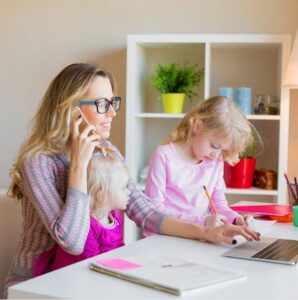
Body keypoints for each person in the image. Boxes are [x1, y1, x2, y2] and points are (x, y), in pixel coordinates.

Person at [4, 64, 259, 297]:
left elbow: (145, 212)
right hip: (36, 285)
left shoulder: (106, 150)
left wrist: (206, 232)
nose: (113, 112)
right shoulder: (39, 162)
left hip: (84, 277)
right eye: (102, 104)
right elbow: (72, 241)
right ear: (71, 111)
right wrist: (79, 165)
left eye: (113, 102)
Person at [145, 96, 257, 229]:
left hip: (198, 236)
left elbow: (218, 204)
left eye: (222, 150)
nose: (216, 154)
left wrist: (235, 218)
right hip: (164, 237)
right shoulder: (164, 156)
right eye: (215, 146)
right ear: (197, 126)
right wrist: (200, 222)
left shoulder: (215, 161)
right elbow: (154, 211)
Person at [33, 150, 130, 276]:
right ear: (102, 196)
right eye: (123, 188)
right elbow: (91, 264)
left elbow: (119, 248)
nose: (129, 192)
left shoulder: (115, 217)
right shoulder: (87, 226)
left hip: (100, 274)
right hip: (73, 278)